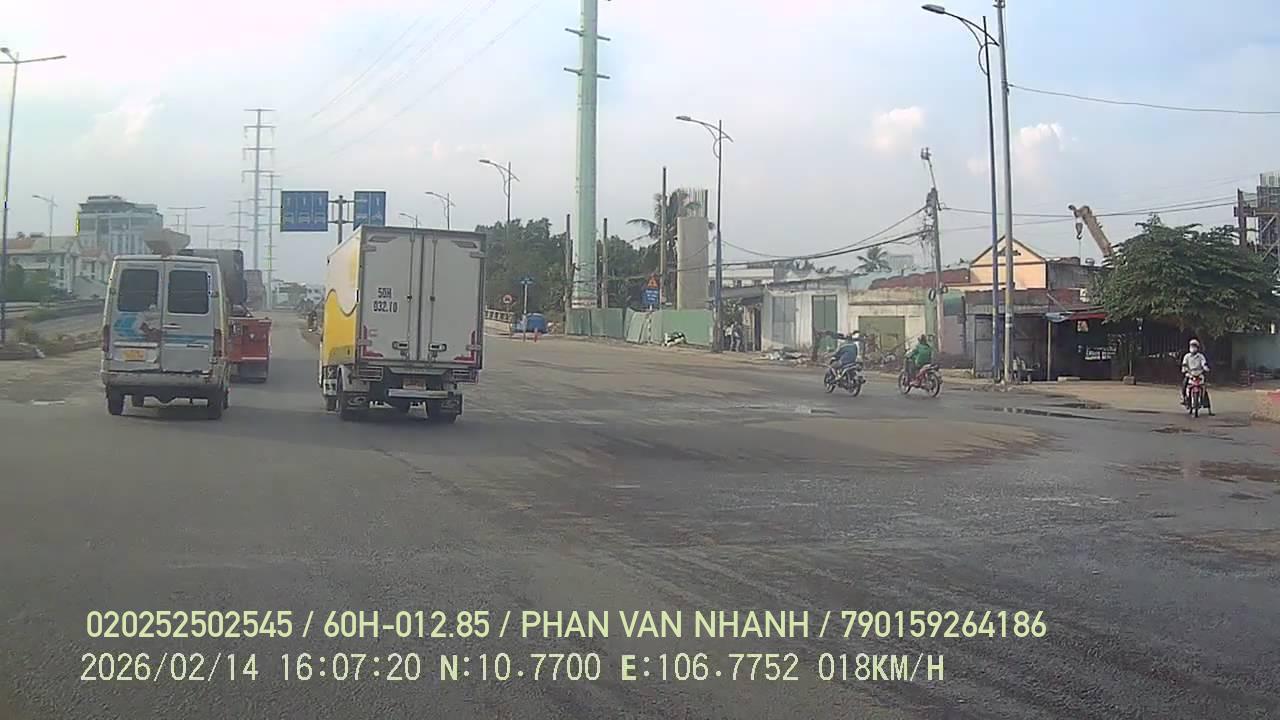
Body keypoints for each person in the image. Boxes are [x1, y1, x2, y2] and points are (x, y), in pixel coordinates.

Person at [1181, 338, 1211, 410]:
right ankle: (1184, 399)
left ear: (1197, 347)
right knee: (1184, 385)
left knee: (1203, 387)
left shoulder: (1201, 356)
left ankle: (1206, 403)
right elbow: (1184, 364)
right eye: (1192, 346)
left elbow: (1204, 363)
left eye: (1195, 346)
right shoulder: (1187, 356)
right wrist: (1184, 369)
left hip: (1199, 374)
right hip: (1190, 374)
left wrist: (1205, 368)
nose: (1193, 347)